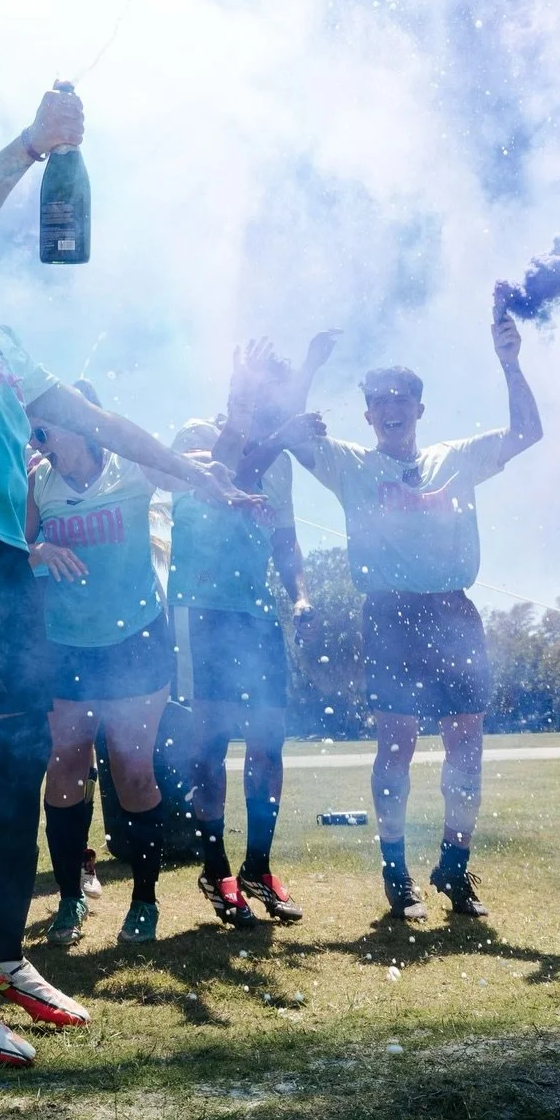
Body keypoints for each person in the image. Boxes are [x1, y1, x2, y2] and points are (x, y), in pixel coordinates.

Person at [0, 83, 259, 1067]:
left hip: (1, 559)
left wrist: (188, 470)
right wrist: (31, 148)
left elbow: (93, 421)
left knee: (17, 767)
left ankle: (2, 958)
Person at [273, 291, 541, 920]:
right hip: (390, 615)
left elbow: (528, 432)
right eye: (380, 402)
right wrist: (310, 365)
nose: (392, 409)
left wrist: (509, 361)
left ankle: (453, 864)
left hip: (454, 610)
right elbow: (288, 433)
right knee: (395, 742)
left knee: (466, 743)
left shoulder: (456, 458)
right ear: (367, 415)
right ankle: (397, 873)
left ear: (420, 408)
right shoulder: (349, 464)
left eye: (402, 400)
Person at [168, 335, 335, 930]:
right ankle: (216, 868)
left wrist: (303, 597)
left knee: (268, 743)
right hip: (200, 610)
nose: (264, 405)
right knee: (209, 744)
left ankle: (259, 864)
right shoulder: (196, 434)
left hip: (258, 614)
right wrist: (254, 417)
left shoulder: (280, 462)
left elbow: (286, 540)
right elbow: (221, 470)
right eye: (253, 390)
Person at [27, 385, 201, 949]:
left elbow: (179, 476)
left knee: (133, 771)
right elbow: (12, 545)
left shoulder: (130, 469)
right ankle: (72, 896)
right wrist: (38, 552)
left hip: (135, 641)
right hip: (68, 645)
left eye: (51, 417)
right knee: (66, 768)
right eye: (38, 421)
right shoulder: (38, 482)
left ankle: (144, 900)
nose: (41, 429)